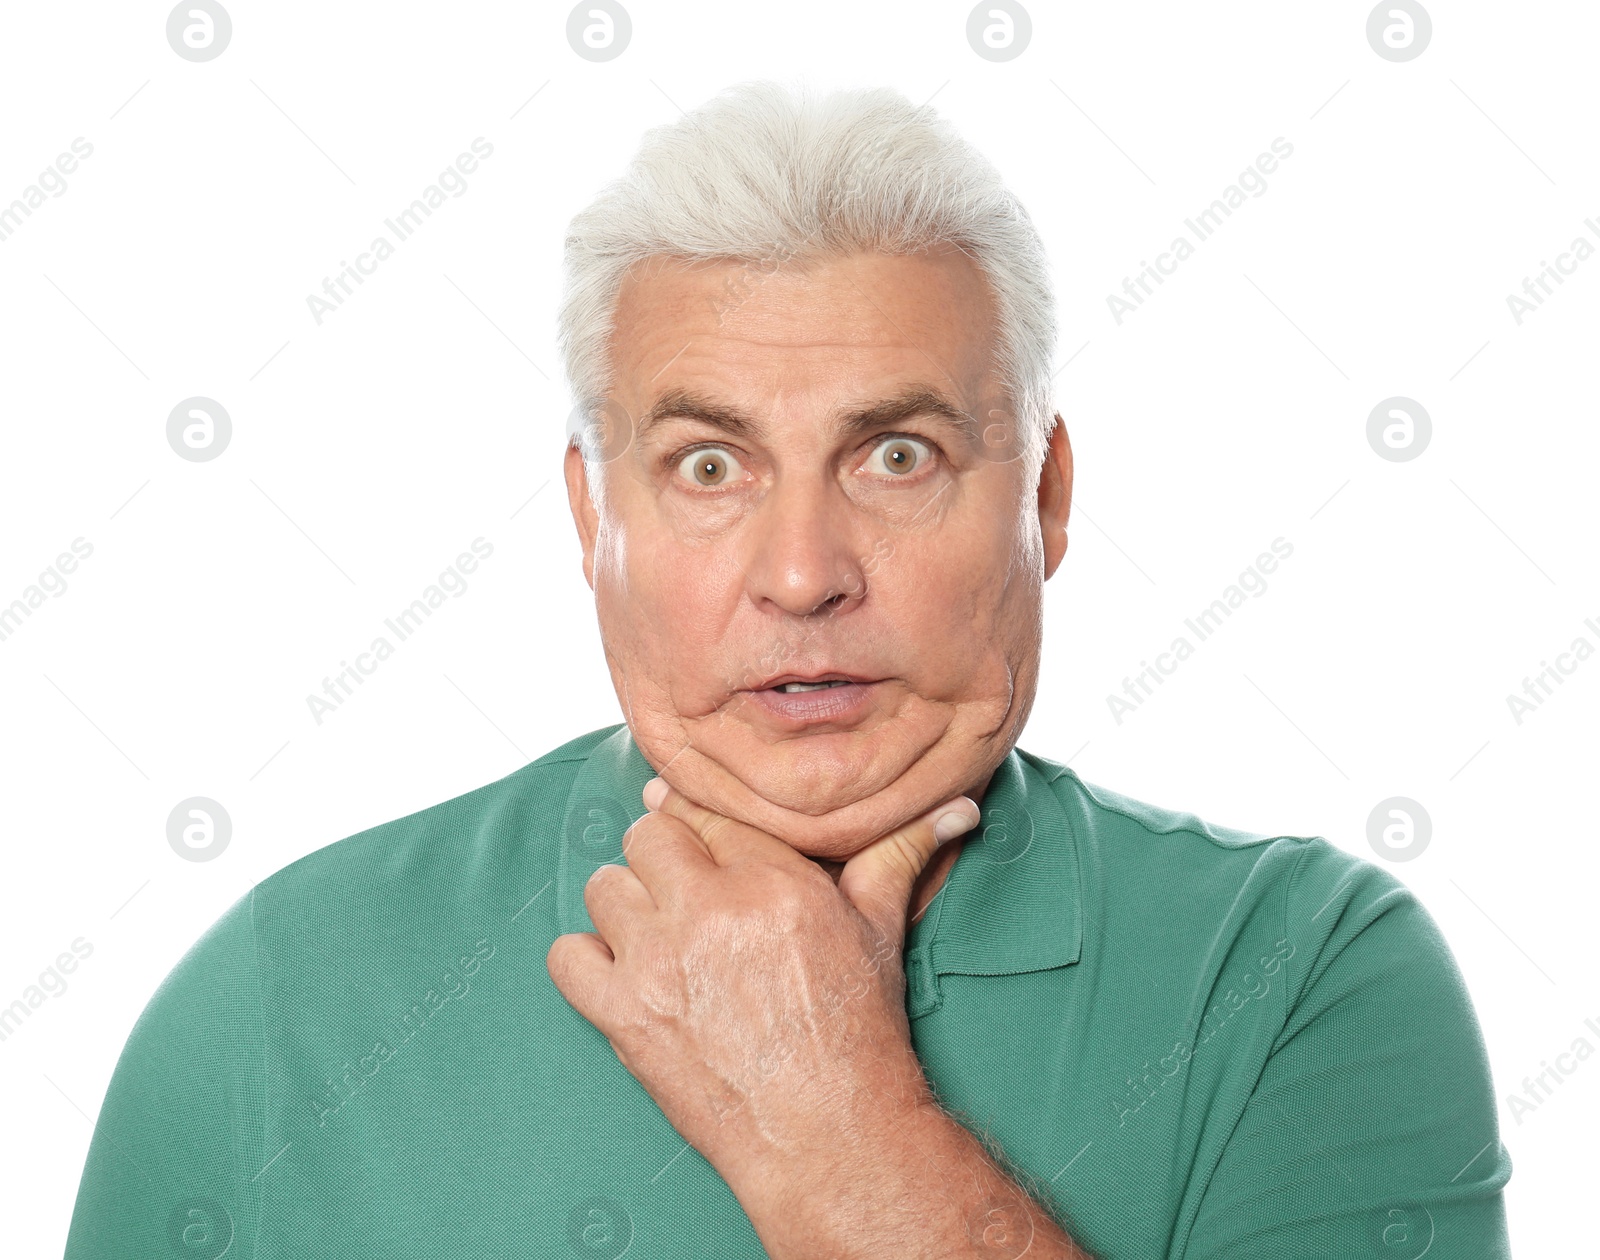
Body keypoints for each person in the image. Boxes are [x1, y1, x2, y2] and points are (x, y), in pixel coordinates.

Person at [65, 82, 1510, 1258]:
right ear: (593, 515)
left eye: (898, 455)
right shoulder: (277, 1005)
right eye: (709, 465)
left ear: (1047, 494)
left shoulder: (1302, 979)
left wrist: (836, 1129)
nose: (805, 570)